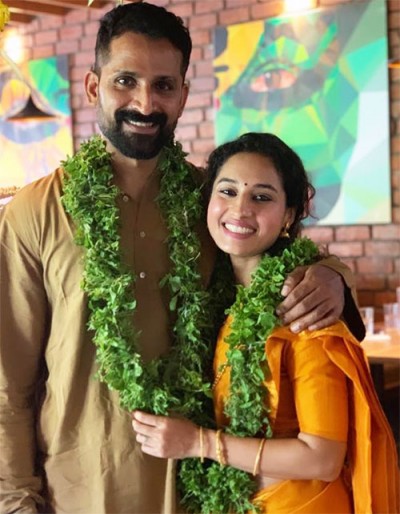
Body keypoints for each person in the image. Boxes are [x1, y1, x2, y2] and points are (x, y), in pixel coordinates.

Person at [0, 3, 363, 513]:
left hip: (204, 488)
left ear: (183, 95)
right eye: (125, 81)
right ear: (93, 87)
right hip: (79, 486)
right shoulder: (36, 209)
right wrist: (16, 500)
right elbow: (7, 383)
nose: (145, 103)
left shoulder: (210, 202)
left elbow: (280, 254)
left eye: (164, 85)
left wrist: (333, 275)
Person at [131, 133, 399, 514]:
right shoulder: (218, 298)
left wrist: (197, 443)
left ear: (289, 215)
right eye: (227, 191)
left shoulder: (303, 307)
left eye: (261, 197)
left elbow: (323, 457)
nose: (240, 209)